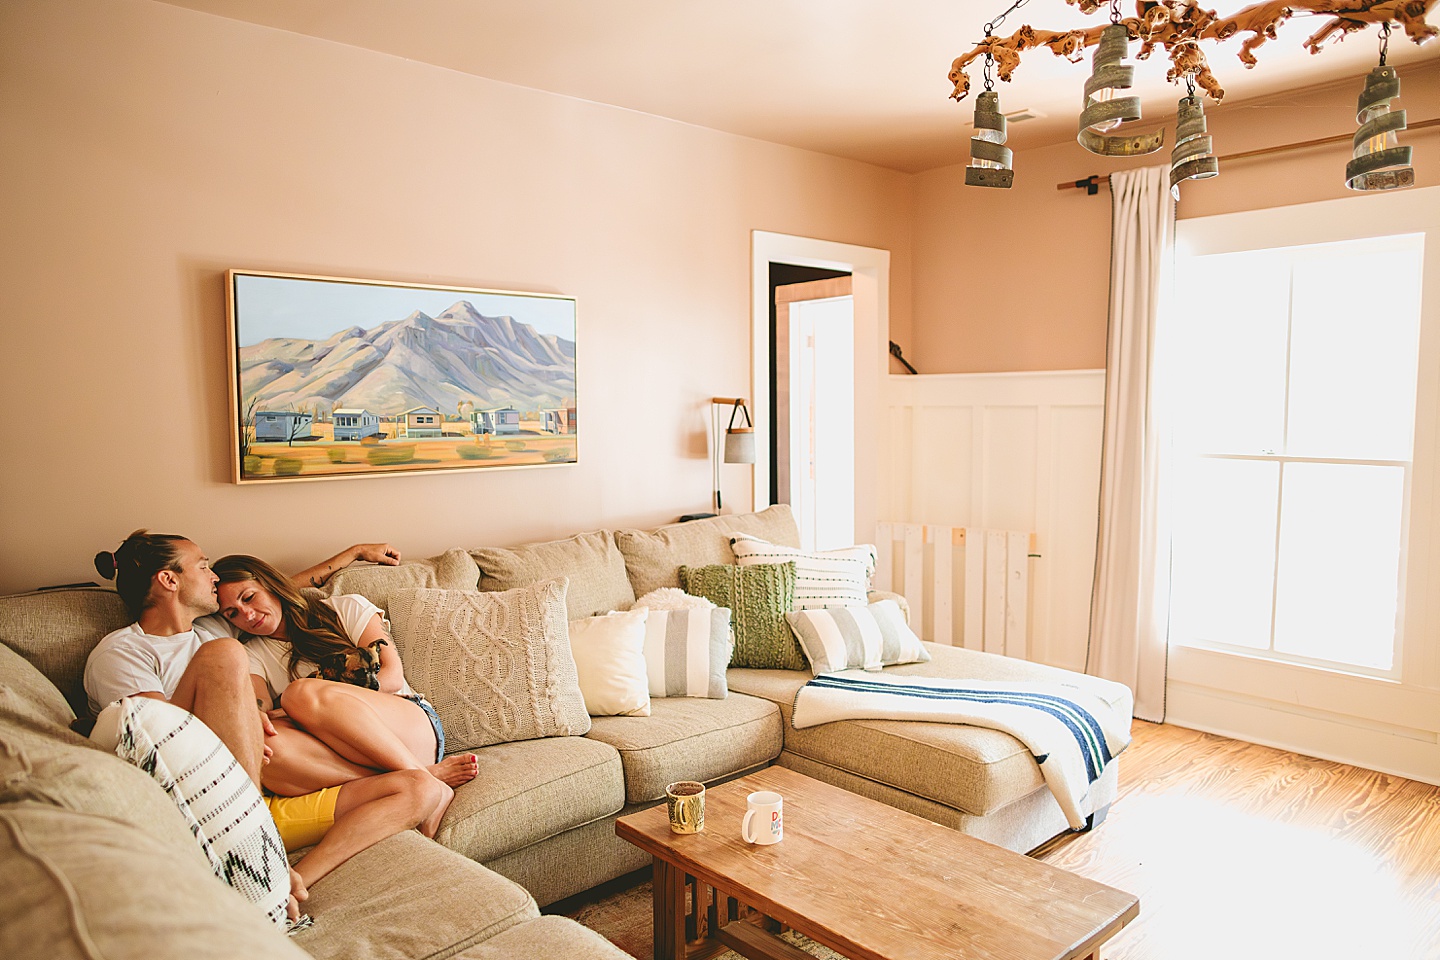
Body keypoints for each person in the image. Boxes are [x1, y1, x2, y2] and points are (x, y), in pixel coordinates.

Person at [84, 530, 417, 922]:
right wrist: (236, 714)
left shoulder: (216, 627)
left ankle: (280, 867)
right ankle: (254, 854)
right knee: (226, 658)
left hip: (270, 783)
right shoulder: (122, 652)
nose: (213, 577)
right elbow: (158, 738)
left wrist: (355, 552)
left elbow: (275, 592)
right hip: (211, 798)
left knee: (416, 787)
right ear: (169, 580)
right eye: (204, 565)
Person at [211, 554, 479, 798]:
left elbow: (392, 677)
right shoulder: (250, 653)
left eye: (248, 597)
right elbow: (261, 704)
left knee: (299, 693)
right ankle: (416, 777)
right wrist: (257, 715)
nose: (246, 614)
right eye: (232, 613)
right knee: (264, 746)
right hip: (343, 752)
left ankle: (416, 773)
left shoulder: (345, 608)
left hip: (408, 728)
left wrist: (311, 703)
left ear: (271, 586)